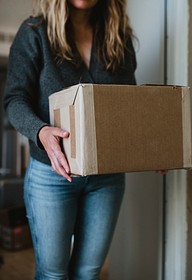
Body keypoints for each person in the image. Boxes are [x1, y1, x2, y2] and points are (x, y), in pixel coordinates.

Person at [4, 0, 137, 279]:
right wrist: (41, 132)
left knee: (89, 272)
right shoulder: (34, 33)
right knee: (53, 274)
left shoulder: (118, 38)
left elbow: (130, 105)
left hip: (107, 177)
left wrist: (151, 146)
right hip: (51, 176)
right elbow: (15, 99)